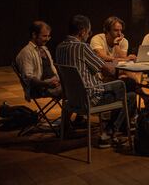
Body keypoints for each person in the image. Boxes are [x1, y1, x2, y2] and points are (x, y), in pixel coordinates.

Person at [56, 15, 137, 148]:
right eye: (89, 31)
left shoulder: (59, 47)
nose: (89, 34)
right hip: (90, 98)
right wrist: (119, 67)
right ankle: (108, 133)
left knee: (123, 87)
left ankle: (118, 126)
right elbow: (107, 71)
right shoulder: (82, 47)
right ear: (82, 31)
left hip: (71, 99)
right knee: (129, 92)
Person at [90, 16, 149, 107]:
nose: (119, 33)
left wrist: (116, 44)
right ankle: (145, 98)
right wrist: (124, 59)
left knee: (128, 79)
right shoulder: (97, 39)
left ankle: (132, 110)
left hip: (116, 72)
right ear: (107, 30)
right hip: (101, 73)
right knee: (126, 71)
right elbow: (103, 57)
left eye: (120, 30)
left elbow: (123, 58)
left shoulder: (123, 41)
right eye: (116, 30)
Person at [15, 21, 61, 100]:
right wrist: (46, 84)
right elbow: (28, 78)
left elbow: (52, 68)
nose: (47, 39)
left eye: (48, 36)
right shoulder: (26, 52)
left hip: (52, 84)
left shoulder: (44, 48)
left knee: (76, 86)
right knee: (74, 90)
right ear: (34, 35)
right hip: (39, 89)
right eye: (44, 36)